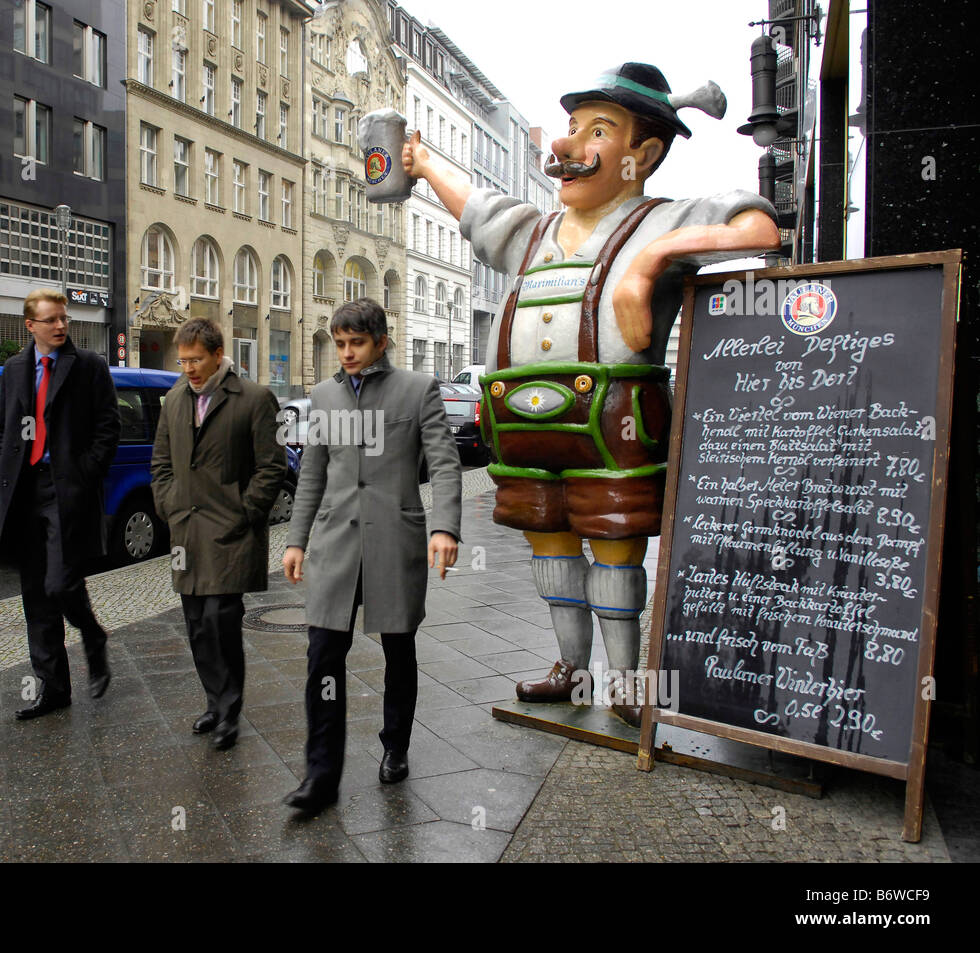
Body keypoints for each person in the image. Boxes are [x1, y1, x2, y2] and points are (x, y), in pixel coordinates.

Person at [403, 63, 780, 724]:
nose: (569, 145)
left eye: (597, 130)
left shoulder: (659, 220)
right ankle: (571, 668)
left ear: (644, 155)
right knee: (548, 541)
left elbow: (759, 228)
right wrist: (425, 164)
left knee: (611, 544)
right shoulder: (535, 231)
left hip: (615, 423)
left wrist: (651, 261)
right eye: (572, 127)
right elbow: (476, 209)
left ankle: (628, 680)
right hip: (525, 424)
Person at [282, 298, 462, 815]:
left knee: (398, 650)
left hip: (395, 540)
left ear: (381, 341)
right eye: (339, 344)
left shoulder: (417, 390)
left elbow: (446, 465)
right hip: (336, 545)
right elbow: (312, 474)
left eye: (356, 343)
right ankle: (320, 775)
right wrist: (295, 541)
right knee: (323, 658)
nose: (347, 354)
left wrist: (445, 527)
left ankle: (395, 744)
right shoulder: (323, 397)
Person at [150, 318, 286, 750]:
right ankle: (214, 701)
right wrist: (169, 505)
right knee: (196, 624)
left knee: (221, 619)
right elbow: (161, 464)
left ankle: (229, 710)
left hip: (231, 531)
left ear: (217, 354)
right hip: (186, 531)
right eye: (182, 360)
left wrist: (246, 512)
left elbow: (272, 465)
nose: (188, 368)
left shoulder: (254, 398)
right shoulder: (173, 399)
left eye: (195, 360)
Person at [0, 288, 121, 719]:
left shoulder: (88, 367)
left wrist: (85, 473)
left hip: (67, 491)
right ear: (31, 326)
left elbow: (108, 427)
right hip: (25, 491)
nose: (62, 325)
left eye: (64, 318)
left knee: (60, 583)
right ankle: (53, 688)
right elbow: (3, 426)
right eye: (52, 320)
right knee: (35, 596)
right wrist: (2, 462)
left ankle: (93, 637)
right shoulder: (13, 370)